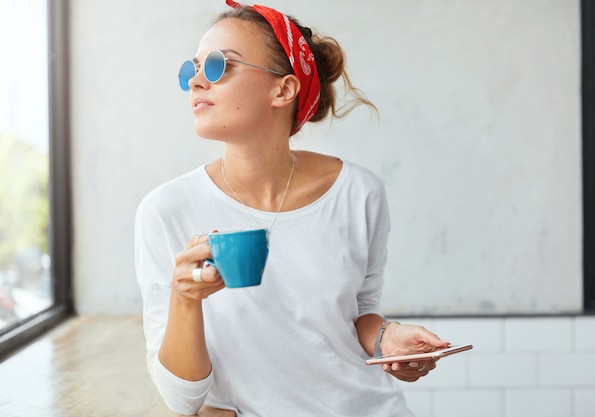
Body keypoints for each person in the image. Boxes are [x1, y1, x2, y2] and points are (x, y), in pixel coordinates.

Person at [135, 1, 450, 416]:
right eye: (190, 70)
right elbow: (182, 400)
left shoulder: (359, 193)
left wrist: (387, 338)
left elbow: (360, 317)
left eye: (217, 66)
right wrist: (185, 299)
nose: (196, 81)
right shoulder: (165, 211)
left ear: (282, 90)